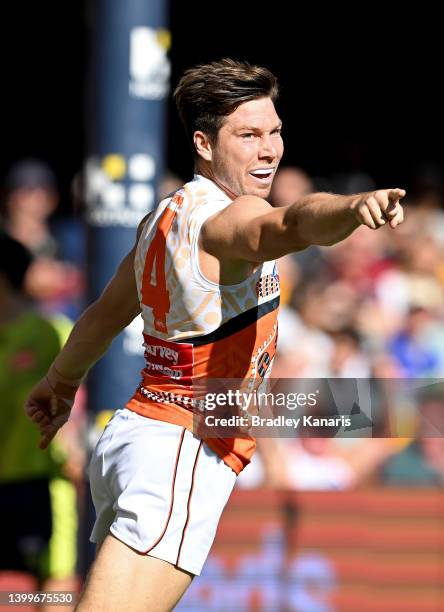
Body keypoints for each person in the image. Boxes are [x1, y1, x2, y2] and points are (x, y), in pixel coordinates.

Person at [25, 58, 406, 611]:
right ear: (204, 144)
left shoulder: (164, 216)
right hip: (184, 443)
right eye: (247, 135)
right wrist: (351, 207)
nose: (268, 148)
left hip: (147, 433)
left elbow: (103, 317)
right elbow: (289, 223)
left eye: (274, 131)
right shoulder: (229, 217)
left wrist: (59, 384)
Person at [0, 232, 78, 595]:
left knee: (55, 584)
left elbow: (78, 403)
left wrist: (75, 447)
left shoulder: (50, 333)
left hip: (40, 483)